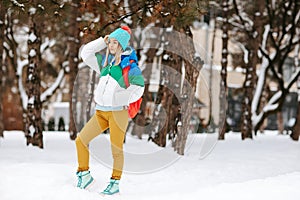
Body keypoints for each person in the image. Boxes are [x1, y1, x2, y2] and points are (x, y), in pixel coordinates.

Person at [75, 26, 144, 195]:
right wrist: (102, 41)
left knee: (116, 150)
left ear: (122, 45)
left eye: (115, 42)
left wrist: (120, 99)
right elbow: (86, 53)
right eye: (110, 42)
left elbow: (139, 88)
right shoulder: (105, 63)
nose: (111, 45)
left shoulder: (129, 66)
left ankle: (114, 183)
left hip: (117, 113)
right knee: (80, 140)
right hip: (100, 112)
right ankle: (84, 175)